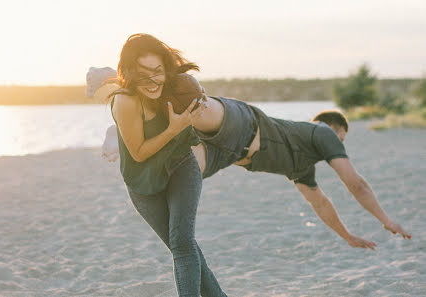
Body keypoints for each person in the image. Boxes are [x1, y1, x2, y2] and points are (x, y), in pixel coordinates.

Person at [88, 47, 411, 251]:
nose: (340, 146)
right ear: (336, 131)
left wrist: (348, 236)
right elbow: (356, 183)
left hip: (224, 154)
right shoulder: (322, 133)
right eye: (343, 139)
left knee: (169, 168)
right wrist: (386, 219)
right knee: (189, 99)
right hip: (241, 123)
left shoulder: (302, 168)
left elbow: (320, 203)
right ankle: (117, 84)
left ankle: (125, 126)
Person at [107, 33, 228, 297]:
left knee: (183, 243)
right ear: (129, 73)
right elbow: (138, 153)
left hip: (181, 166)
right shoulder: (125, 101)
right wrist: (175, 128)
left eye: (157, 71)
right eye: (143, 74)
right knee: (184, 248)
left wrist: (198, 103)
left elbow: (204, 113)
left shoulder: (177, 87)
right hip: (142, 184)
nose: (152, 81)